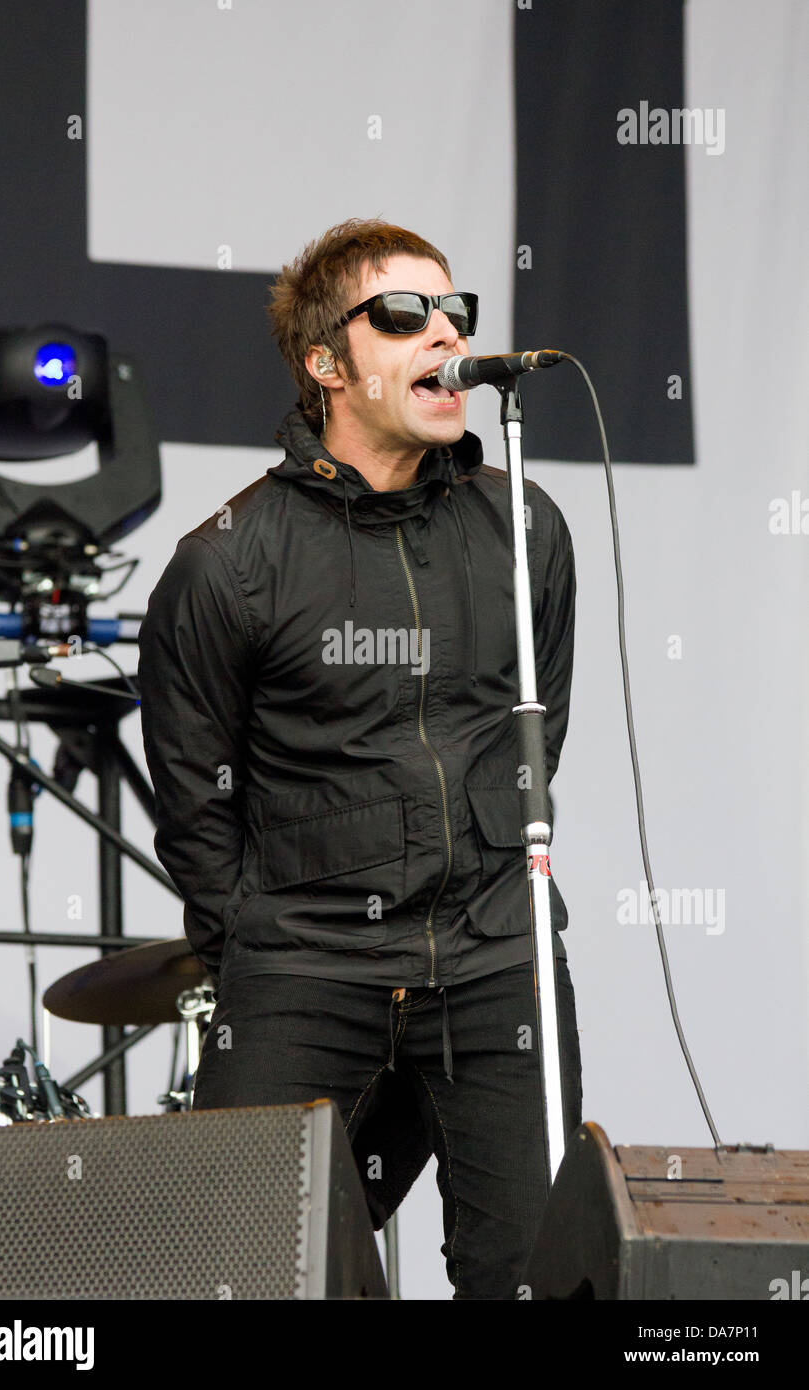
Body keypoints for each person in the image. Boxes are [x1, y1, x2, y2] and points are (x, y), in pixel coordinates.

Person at [137, 218, 582, 1300]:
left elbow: (534, 739)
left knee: (537, 1276)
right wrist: (265, 938)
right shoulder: (224, 564)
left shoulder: (523, 525)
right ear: (327, 364)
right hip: (302, 969)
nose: (442, 332)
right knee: (246, 1276)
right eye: (401, 314)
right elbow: (198, 810)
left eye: (453, 311)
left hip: (491, 963)